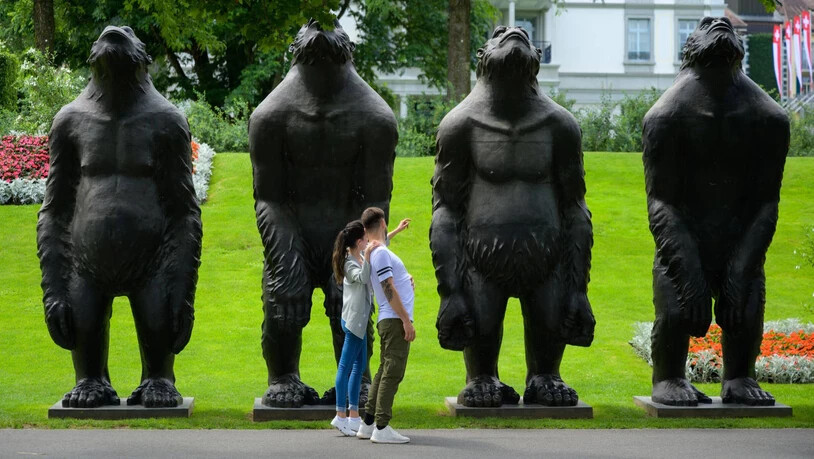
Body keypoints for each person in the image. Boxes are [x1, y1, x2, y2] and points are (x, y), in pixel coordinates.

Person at [357, 207, 416, 444]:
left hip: (389, 319)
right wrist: (405, 321)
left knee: (383, 371)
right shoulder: (379, 253)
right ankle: (381, 426)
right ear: (382, 222)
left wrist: (397, 231)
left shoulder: (376, 250)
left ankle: (368, 422)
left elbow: (384, 244)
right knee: (393, 372)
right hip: (394, 320)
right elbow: (388, 288)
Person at [329, 220, 381, 436]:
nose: (368, 241)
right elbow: (362, 277)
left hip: (358, 320)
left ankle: (353, 415)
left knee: (359, 368)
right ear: (359, 242)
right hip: (354, 321)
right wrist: (368, 256)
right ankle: (340, 415)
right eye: (366, 239)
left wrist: (394, 232)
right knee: (345, 367)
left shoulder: (358, 256)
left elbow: (377, 247)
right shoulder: (349, 262)